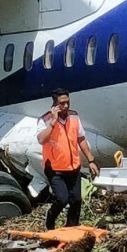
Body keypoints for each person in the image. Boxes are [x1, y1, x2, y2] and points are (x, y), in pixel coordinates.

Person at [37, 88, 99, 230]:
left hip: (73, 167)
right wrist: (53, 122)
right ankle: (50, 219)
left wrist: (91, 160)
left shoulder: (74, 117)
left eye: (67, 103)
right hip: (54, 168)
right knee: (62, 199)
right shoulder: (45, 120)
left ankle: (72, 227)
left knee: (76, 199)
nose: (65, 106)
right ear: (55, 104)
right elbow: (41, 139)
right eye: (62, 103)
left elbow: (81, 139)